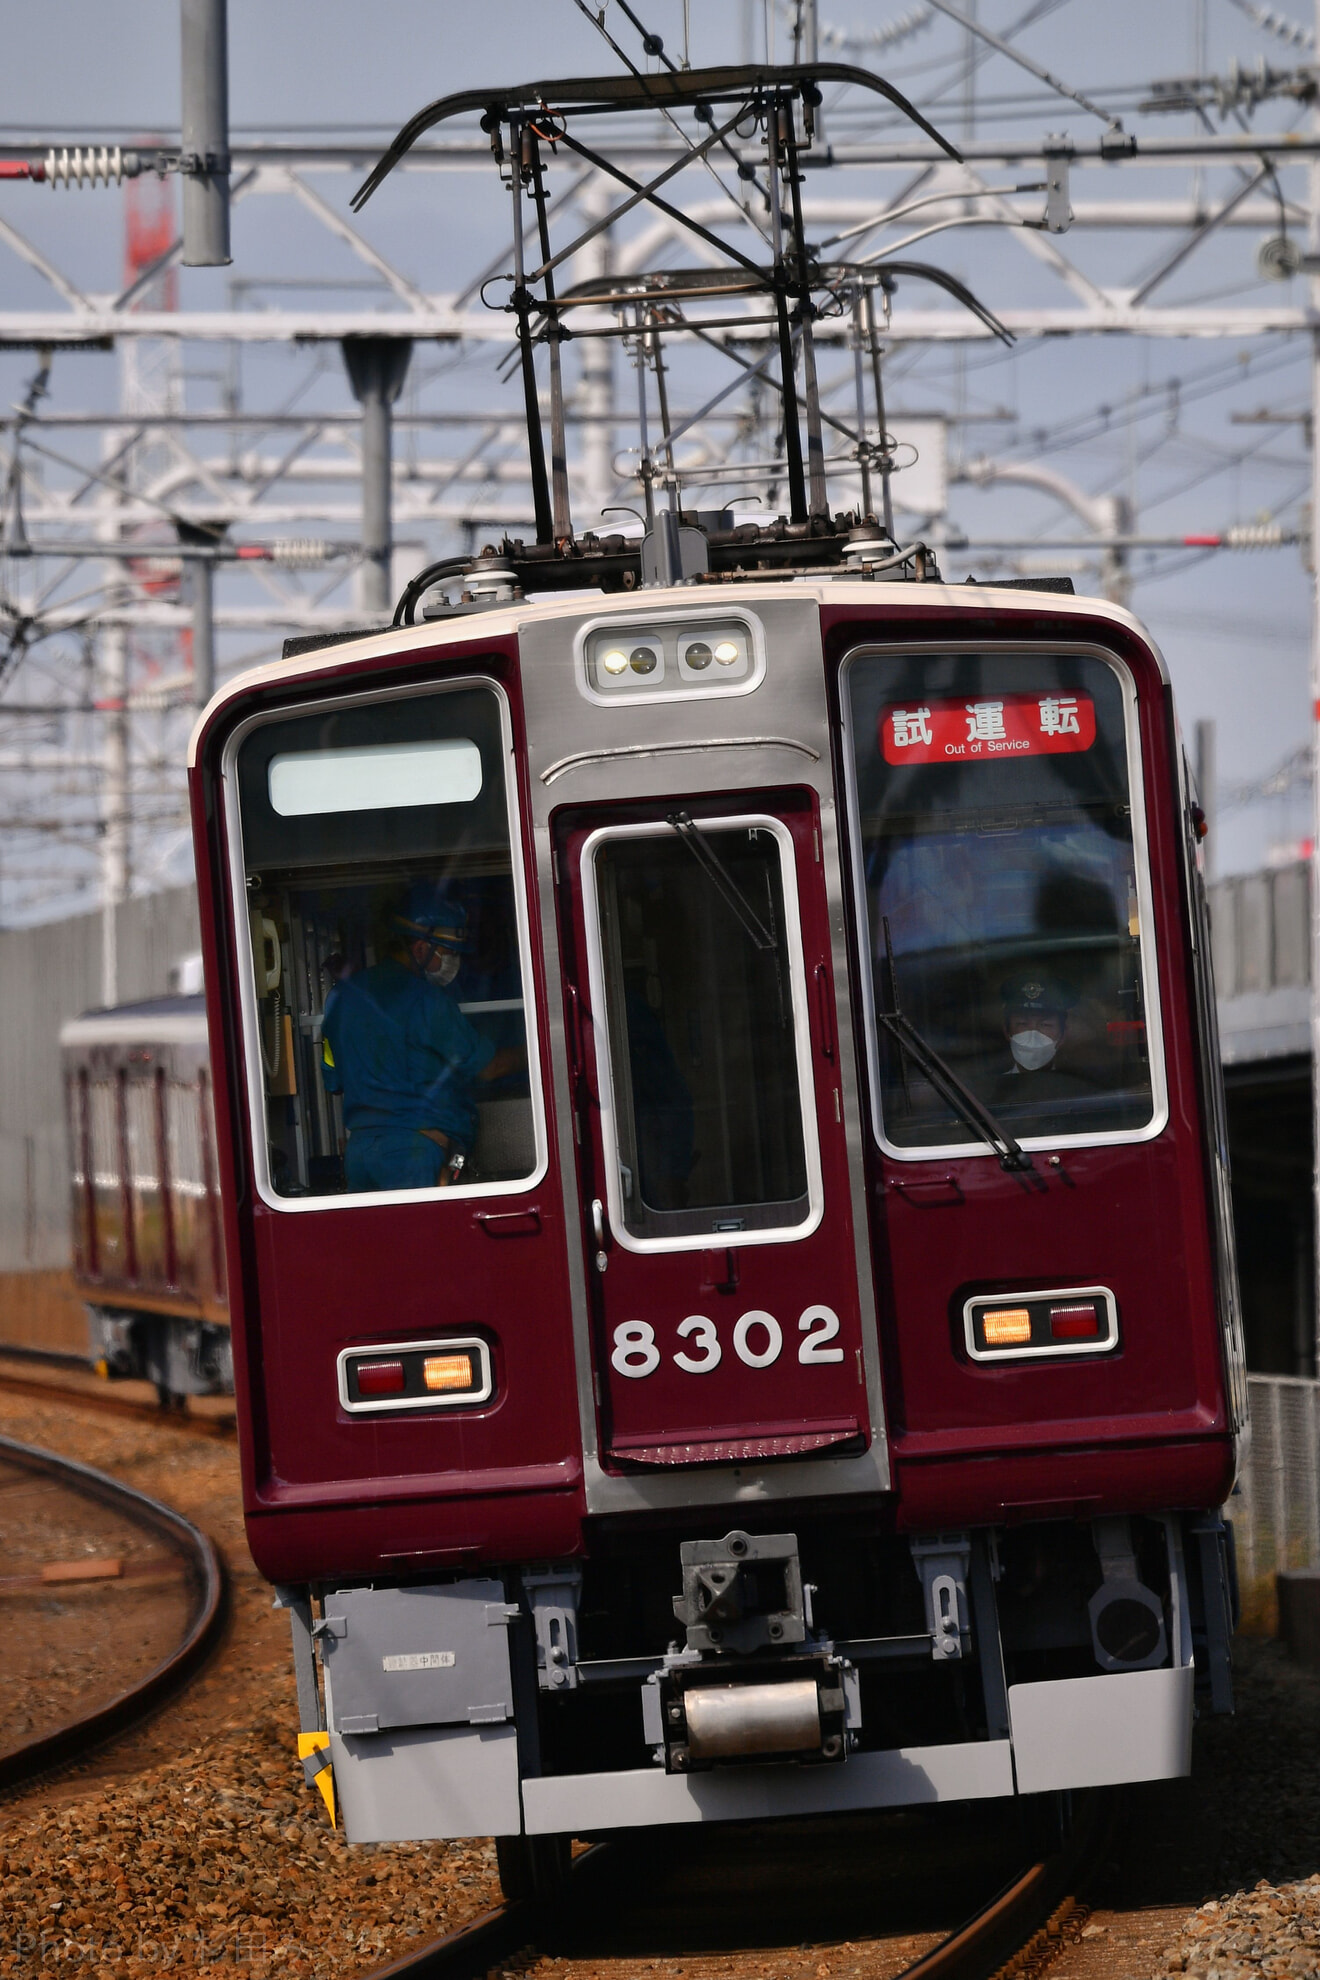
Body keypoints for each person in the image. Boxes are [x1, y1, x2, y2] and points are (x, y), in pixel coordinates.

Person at [320, 885, 523, 1192]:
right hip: (412, 1154)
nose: (453, 962)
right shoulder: (428, 1000)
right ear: (420, 948)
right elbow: (487, 1067)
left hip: (360, 1153)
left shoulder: (340, 997)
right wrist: (541, 1051)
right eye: (449, 952)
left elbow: (333, 1078)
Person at [990, 973, 1094, 1104]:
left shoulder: (1080, 1093)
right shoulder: (991, 1092)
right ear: (1007, 1031)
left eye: (1045, 1025)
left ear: (1062, 1035)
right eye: (1022, 1023)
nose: (1033, 1034)